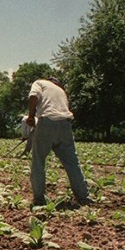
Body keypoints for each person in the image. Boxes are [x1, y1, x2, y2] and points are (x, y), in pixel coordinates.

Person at [26, 77, 91, 206]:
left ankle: (39, 199)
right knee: (73, 163)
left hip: (47, 121)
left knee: (38, 161)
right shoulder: (61, 91)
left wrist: (31, 116)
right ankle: (83, 197)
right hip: (66, 124)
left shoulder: (40, 83)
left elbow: (33, 96)